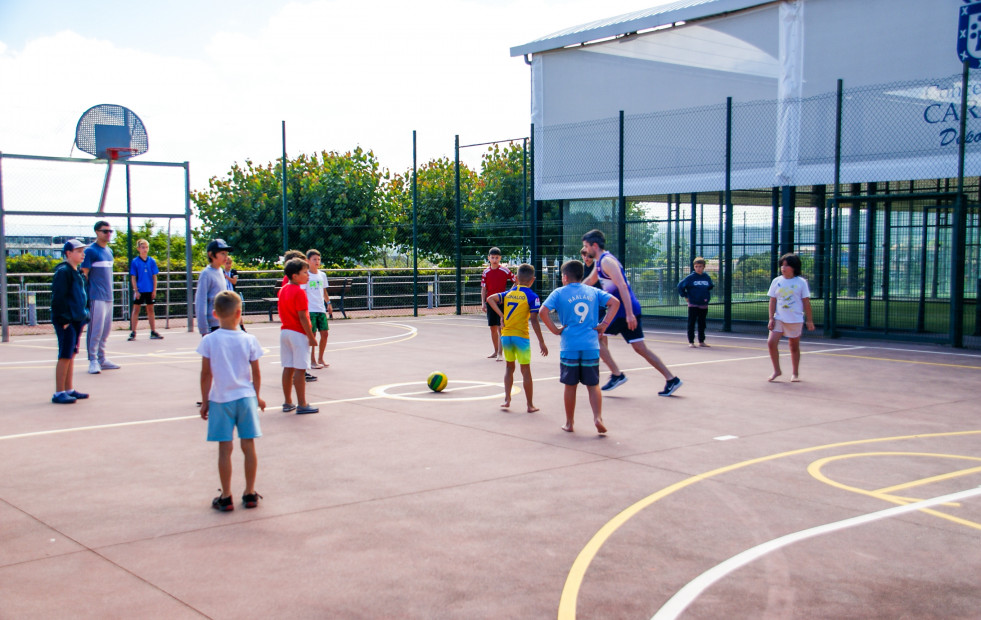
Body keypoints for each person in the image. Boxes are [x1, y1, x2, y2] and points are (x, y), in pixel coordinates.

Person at [581, 229, 682, 396]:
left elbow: (622, 286)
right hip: (620, 310)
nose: (585, 250)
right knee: (639, 347)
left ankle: (617, 375)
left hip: (622, 311)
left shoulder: (607, 262)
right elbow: (589, 281)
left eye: (586, 246)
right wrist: (572, 290)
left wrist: (629, 314)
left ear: (595, 245)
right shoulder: (600, 262)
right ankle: (672, 379)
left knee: (594, 336)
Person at [198, 290, 266, 511]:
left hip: (221, 399)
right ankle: (250, 492)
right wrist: (257, 395)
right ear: (239, 313)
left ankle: (226, 495)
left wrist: (205, 400)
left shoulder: (210, 340)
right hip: (245, 398)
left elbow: (206, 374)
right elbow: (256, 372)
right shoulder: (249, 339)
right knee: (248, 445)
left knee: (224, 449)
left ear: (215, 313)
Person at [540, 260, 620, 434]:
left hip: (570, 346)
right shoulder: (592, 291)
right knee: (593, 385)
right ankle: (598, 418)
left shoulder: (559, 293)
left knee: (570, 385)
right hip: (591, 346)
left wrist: (555, 330)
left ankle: (569, 423)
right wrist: (604, 324)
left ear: (565, 277)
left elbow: (542, 311)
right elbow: (615, 303)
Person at [486, 263, 548, 412]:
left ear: (516, 278)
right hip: (521, 337)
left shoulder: (508, 293)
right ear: (532, 279)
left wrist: (502, 316)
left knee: (509, 367)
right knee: (525, 370)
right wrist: (541, 341)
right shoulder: (532, 296)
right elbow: (534, 320)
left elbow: (490, 298)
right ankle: (530, 405)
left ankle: (507, 400)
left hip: (506, 336)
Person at [51, 239, 90, 404]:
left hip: (77, 319)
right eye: (79, 251)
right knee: (65, 354)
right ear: (68, 253)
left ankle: (69, 389)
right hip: (67, 320)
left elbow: (81, 296)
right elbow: (58, 298)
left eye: (83, 251)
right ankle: (59, 392)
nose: (83, 254)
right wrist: (64, 320)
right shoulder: (63, 272)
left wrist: (84, 314)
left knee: (72, 354)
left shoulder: (78, 272)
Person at [278, 257, 319, 414]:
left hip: (285, 332)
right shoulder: (299, 292)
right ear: (295, 276)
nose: (307, 275)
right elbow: (302, 316)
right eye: (304, 273)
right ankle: (302, 403)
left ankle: (288, 402)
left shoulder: (283, 290)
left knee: (287, 367)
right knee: (300, 370)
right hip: (297, 333)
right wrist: (311, 336)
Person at [767, 253, 815, 382]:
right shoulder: (776, 281)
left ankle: (795, 373)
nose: (783, 267)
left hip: (795, 319)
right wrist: (771, 318)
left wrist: (809, 320)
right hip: (779, 318)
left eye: (787, 265)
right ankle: (777, 370)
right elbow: (772, 300)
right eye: (782, 265)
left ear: (794, 267)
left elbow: (806, 302)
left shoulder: (801, 282)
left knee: (793, 346)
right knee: (771, 343)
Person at [80, 220, 120, 374]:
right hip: (96, 296)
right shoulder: (91, 251)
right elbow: (84, 274)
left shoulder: (109, 251)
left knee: (106, 329)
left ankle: (102, 358)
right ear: (97, 232)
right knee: (95, 329)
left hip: (108, 296)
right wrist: (87, 296)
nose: (108, 234)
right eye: (105, 231)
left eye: (110, 231)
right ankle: (93, 360)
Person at [480, 247, 514, 361]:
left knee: (501, 327)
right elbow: (484, 289)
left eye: (497, 257)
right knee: (493, 328)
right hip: (490, 302)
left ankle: (500, 353)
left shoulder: (505, 270)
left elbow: (516, 280)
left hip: (501, 302)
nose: (494, 259)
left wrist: (509, 293)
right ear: (489, 258)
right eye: (492, 257)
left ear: (500, 258)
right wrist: (483, 303)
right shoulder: (485, 272)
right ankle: (495, 351)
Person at [127, 239, 163, 341]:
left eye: (146, 247)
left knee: (150, 310)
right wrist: (136, 290)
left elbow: (154, 276)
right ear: (138, 249)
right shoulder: (135, 262)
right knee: (136, 310)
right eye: (142, 247)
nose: (145, 249)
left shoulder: (152, 261)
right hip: (140, 289)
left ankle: (153, 331)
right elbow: (133, 277)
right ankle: (133, 332)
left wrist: (154, 290)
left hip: (149, 289)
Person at [195, 239, 232, 336]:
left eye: (226, 253)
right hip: (213, 325)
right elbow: (201, 301)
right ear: (211, 254)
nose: (226, 257)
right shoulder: (206, 274)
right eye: (222, 253)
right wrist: (204, 329)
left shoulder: (220, 271)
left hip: (222, 322)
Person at [304, 249, 334, 369]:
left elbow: (324, 291)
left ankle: (321, 358)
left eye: (318, 259)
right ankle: (312, 360)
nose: (317, 262)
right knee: (313, 335)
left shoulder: (322, 275)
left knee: (325, 334)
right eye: (314, 259)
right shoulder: (306, 275)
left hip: (320, 308)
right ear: (308, 261)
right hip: (310, 309)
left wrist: (328, 303)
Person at [677, 257, 714, 348]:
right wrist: (685, 296)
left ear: (704, 267)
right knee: (692, 322)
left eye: (700, 266)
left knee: (702, 323)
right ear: (694, 267)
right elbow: (680, 286)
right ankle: (691, 341)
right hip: (693, 304)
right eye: (696, 266)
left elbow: (710, 286)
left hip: (703, 304)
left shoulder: (706, 277)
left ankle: (701, 341)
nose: (698, 268)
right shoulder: (690, 278)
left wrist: (705, 296)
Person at [223, 254, 247, 332]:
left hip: (232, 294)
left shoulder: (233, 272)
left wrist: (226, 276)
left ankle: (242, 327)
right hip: (224, 294)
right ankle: (225, 327)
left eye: (230, 263)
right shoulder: (221, 272)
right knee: (224, 311)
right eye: (227, 263)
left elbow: (234, 281)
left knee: (236, 310)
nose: (228, 265)